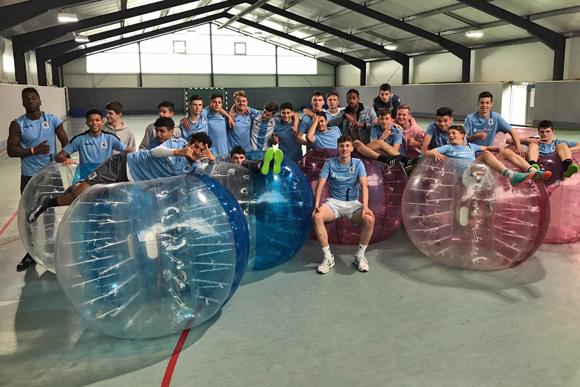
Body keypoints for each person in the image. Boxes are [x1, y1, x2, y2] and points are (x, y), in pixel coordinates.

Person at [28, 131, 216, 224]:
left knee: (89, 198)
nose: (197, 152)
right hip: (122, 165)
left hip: (132, 183)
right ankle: (48, 202)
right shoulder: (177, 143)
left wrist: (212, 162)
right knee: (80, 194)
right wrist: (179, 152)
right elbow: (155, 152)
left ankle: (75, 188)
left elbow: (204, 175)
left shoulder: (194, 165)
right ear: (190, 143)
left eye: (202, 151)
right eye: (196, 147)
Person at [7, 87, 69, 271]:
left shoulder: (52, 120)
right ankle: (30, 251)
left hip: (50, 174)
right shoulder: (17, 124)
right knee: (29, 214)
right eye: (27, 98)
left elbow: (67, 143)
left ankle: (50, 246)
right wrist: (34, 150)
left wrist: (63, 156)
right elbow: (11, 150)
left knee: (49, 210)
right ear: (23, 102)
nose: (31, 100)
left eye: (34, 97)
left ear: (40, 100)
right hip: (29, 175)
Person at [312, 135, 374, 274]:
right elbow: (320, 185)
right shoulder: (329, 163)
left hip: (352, 203)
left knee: (369, 219)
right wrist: (316, 204)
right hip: (333, 203)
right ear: (337, 148)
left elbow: (364, 186)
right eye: (341, 146)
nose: (344, 149)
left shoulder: (358, 163)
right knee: (317, 217)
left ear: (352, 148)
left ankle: (360, 255)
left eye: (347, 146)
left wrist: (365, 206)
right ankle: (328, 258)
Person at [424, 125, 551, 187]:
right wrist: (434, 152)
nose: (450, 136)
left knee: (505, 152)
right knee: (485, 155)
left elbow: (488, 148)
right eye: (449, 134)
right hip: (465, 177)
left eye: (453, 133)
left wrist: (499, 148)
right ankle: (511, 176)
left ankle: (534, 172)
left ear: (462, 135)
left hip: (479, 173)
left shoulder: (470, 146)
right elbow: (427, 153)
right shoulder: (448, 147)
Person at [56, 109, 131, 167]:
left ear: (102, 122)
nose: (94, 123)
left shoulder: (110, 138)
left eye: (97, 120)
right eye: (91, 120)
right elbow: (59, 156)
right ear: (87, 123)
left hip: (106, 177)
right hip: (85, 178)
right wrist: (66, 159)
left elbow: (129, 152)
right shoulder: (79, 139)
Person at [352, 108, 421, 171]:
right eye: (382, 119)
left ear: (391, 119)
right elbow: (373, 147)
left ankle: (402, 160)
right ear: (378, 120)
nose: (384, 121)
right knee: (358, 142)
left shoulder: (396, 130)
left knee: (359, 142)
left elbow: (394, 151)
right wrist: (383, 137)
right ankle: (405, 160)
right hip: (365, 154)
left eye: (386, 119)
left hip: (393, 158)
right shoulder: (375, 127)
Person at [464, 91, 525, 156]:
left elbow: (513, 132)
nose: (484, 105)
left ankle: (531, 164)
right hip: (472, 151)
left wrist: (519, 148)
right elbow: (463, 138)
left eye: (487, 103)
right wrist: (476, 136)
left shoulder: (496, 117)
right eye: (482, 103)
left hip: (488, 151)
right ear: (478, 104)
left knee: (507, 153)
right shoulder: (470, 118)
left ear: (491, 104)